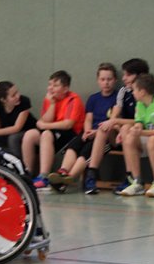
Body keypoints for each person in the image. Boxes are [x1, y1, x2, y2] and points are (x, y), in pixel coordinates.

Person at [83, 58, 149, 195]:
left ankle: (130, 177)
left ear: (139, 76)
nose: (124, 78)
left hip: (141, 135)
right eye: (124, 74)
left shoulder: (147, 93)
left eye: (128, 75)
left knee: (125, 128)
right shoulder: (123, 91)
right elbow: (114, 116)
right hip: (120, 134)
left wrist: (117, 123)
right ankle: (91, 175)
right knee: (104, 128)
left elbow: (141, 121)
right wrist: (113, 123)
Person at [48, 63, 117, 192]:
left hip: (105, 137)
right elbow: (88, 118)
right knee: (73, 145)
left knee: (86, 151)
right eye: (103, 79)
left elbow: (113, 120)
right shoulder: (93, 98)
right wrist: (87, 131)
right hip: (89, 133)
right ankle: (63, 171)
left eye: (109, 79)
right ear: (98, 80)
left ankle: (68, 178)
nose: (106, 83)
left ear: (115, 80)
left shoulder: (117, 98)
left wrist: (96, 132)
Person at [21, 70, 85, 190]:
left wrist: (45, 125)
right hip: (53, 132)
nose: (50, 88)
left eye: (55, 85)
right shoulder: (50, 99)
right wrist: (51, 105)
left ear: (65, 88)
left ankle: (44, 176)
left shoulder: (73, 99)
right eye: (50, 84)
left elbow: (68, 124)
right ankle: (27, 173)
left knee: (46, 134)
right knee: (30, 135)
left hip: (71, 135)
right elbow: (46, 119)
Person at [118, 73, 154, 196]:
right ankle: (137, 182)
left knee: (152, 140)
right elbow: (139, 122)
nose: (132, 92)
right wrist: (136, 130)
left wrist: (141, 132)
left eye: (134, 90)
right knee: (129, 138)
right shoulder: (140, 104)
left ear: (142, 92)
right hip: (151, 136)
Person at [0, 80, 36, 161]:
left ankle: (17, 162)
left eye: (17, 92)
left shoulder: (24, 101)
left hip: (26, 130)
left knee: (13, 138)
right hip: (7, 129)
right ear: (3, 100)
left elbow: (17, 128)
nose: (18, 96)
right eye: (13, 95)